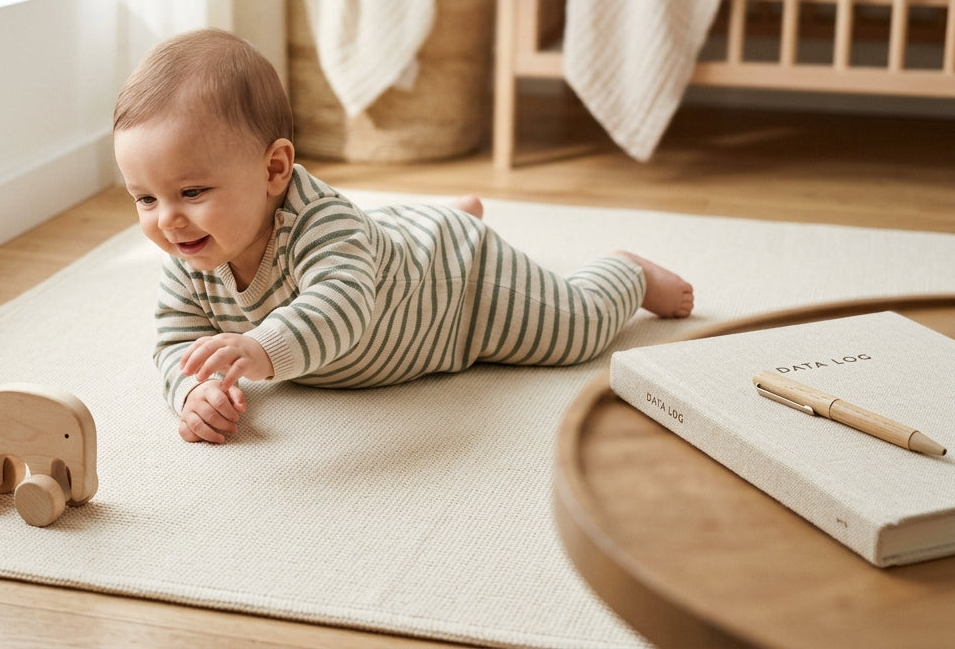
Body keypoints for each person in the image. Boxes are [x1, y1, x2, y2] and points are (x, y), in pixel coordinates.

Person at [113, 28, 694, 444]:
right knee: (381, 239)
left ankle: (626, 270)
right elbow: (175, 342)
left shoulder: (321, 224)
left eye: (191, 193)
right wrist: (192, 392)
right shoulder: (190, 252)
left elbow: (340, 306)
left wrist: (262, 349)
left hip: (458, 286)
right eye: (145, 198)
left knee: (574, 331)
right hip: (391, 251)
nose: (167, 220)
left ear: (273, 170)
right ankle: (448, 212)